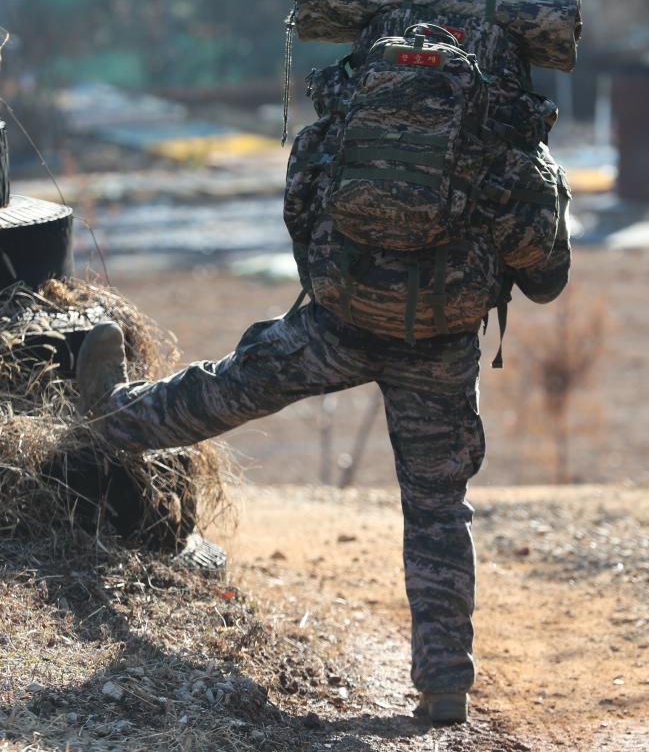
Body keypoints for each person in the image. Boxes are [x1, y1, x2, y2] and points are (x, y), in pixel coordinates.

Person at [76, 214, 570, 726]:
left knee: (232, 385)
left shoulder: (360, 126)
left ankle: (115, 419)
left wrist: (343, 283)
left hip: (340, 325)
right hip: (441, 342)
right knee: (437, 506)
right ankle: (444, 685)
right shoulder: (507, 140)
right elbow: (545, 277)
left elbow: (303, 203)